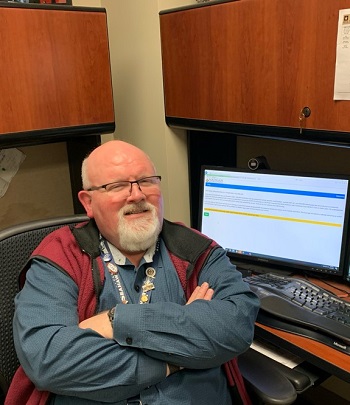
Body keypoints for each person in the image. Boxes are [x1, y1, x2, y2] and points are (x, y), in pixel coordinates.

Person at [6, 140, 259, 405]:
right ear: (88, 202)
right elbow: (49, 359)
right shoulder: (60, 255)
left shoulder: (196, 249)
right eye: (117, 186)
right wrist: (176, 359)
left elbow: (237, 324)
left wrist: (117, 322)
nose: (137, 195)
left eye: (146, 181)